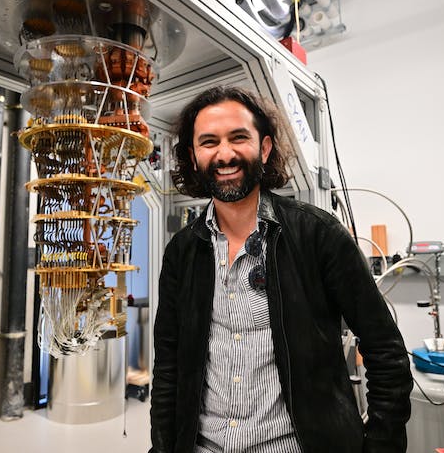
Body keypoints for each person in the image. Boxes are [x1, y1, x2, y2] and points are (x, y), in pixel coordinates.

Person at [150, 86, 412, 453]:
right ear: (193, 157)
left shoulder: (318, 235)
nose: (224, 154)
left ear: (265, 147)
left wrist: (381, 446)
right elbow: (168, 366)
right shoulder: (182, 251)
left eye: (238, 138)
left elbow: (386, 353)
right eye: (209, 142)